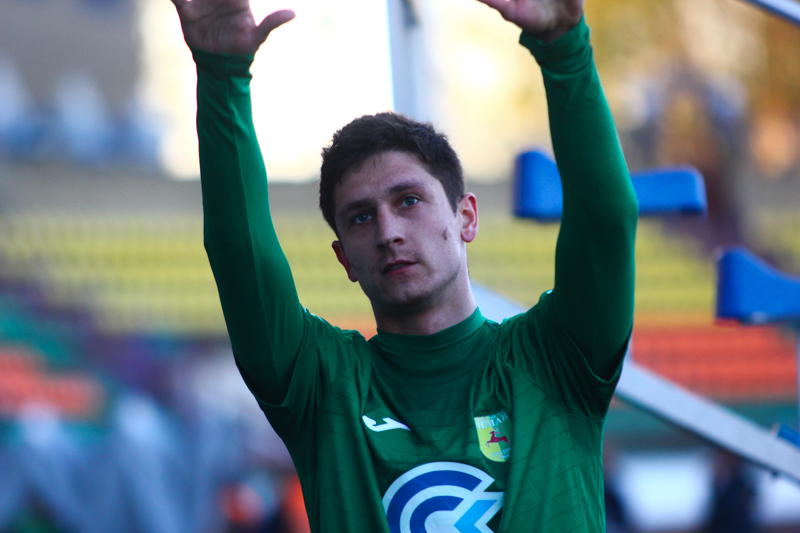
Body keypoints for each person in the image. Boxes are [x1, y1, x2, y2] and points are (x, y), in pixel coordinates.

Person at [168, 0, 638, 530]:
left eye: (409, 200)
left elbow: (606, 222)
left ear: (466, 217)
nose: (388, 231)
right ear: (344, 258)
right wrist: (222, 74)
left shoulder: (556, 359)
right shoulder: (321, 385)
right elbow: (239, 253)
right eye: (361, 217)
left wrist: (565, 50)